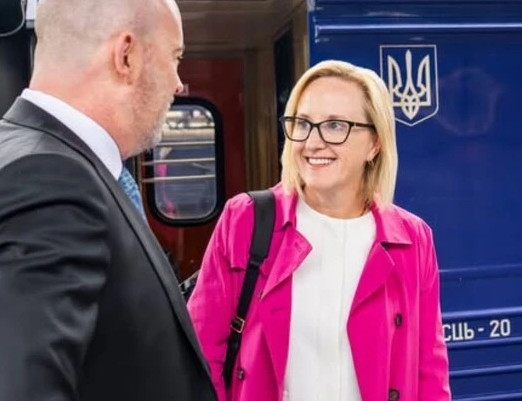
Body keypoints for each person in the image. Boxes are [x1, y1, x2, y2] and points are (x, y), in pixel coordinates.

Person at [0, 0, 216, 401]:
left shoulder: (16, 150)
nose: (179, 83)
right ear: (126, 55)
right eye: (175, 57)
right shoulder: (47, 183)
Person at [188, 60, 451, 401]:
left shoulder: (413, 239)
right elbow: (200, 356)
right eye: (303, 123)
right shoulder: (246, 220)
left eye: (335, 125)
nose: (312, 142)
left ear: (375, 143)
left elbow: (429, 372)